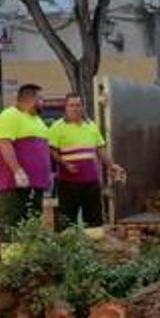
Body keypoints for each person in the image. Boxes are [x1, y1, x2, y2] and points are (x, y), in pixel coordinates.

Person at [47, 94, 125, 231]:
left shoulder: (91, 126)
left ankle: (94, 247)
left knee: (94, 220)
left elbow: (101, 149)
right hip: (68, 182)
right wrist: (64, 164)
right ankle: (67, 248)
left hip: (91, 181)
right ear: (65, 108)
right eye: (72, 105)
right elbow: (52, 151)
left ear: (83, 107)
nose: (75, 109)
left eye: (78, 105)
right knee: (67, 219)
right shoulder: (57, 127)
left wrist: (111, 165)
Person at [0, 84, 51, 239]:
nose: (43, 102)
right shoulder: (9, 116)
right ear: (31, 99)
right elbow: (5, 144)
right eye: (41, 99)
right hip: (12, 182)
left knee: (31, 219)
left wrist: (47, 173)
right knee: (11, 220)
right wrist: (17, 171)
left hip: (35, 183)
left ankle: (29, 256)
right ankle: (12, 258)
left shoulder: (37, 120)